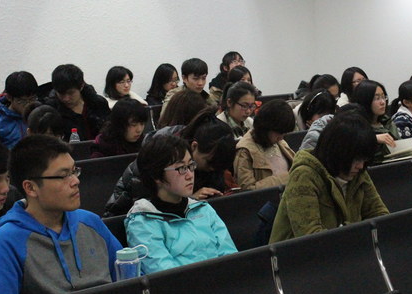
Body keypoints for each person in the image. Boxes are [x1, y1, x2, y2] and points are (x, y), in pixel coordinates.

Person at [0, 135, 122, 294]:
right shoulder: (5, 243)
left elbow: (129, 278)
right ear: (31, 188)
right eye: (63, 176)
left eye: (74, 171)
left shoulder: (90, 222)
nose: (75, 181)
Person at [269, 113, 389, 243]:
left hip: (348, 249)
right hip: (298, 254)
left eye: (364, 160)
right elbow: (310, 237)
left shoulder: (358, 173)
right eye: (356, 159)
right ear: (338, 152)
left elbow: (380, 216)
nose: (360, 166)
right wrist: (358, 236)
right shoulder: (304, 175)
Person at [124, 135, 237, 273]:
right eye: (181, 168)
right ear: (156, 176)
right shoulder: (143, 222)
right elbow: (166, 274)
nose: (190, 175)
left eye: (191, 165)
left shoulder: (203, 209)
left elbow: (231, 256)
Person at [104, 107, 238, 216]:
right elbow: (146, 213)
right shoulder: (155, 161)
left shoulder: (213, 160)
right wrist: (190, 201)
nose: (213, 169)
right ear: (194, 146)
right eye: (209, 162)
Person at [234, 99, 295, 191]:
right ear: (266, 128)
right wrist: (285, 178)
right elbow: (247, 189)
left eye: (284, 134)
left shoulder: (279, 143)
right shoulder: (245, 151)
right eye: (279, 133)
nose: (281, 138)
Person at [45, 64, 111, 142]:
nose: (66, 99)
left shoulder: (98, 104)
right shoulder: (51, 111)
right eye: (61, 93)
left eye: (71, 93)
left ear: (81, 86)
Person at [352, 80, 398, 162]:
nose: (383, 102)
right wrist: (373, 139)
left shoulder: (387, 121)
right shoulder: (355, 124)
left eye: (383, 97)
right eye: (377, 98)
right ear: (365, 100)